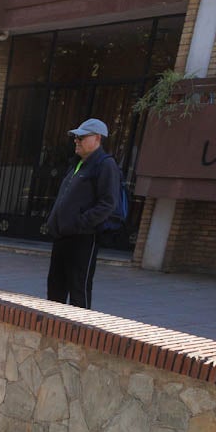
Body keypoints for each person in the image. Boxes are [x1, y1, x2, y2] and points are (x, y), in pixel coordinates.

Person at [45, 117, 121, 310]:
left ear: (97, 138)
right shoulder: (77, 163)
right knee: (55, 287)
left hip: (83, 238)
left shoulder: (105, 164)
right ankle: (53, 329)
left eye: (81, 137)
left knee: (78, 289)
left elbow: (108, 203)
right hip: (63, 236)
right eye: (76, 138)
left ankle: (79, 334)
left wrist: (80, 223)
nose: (76, 141)